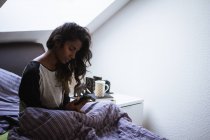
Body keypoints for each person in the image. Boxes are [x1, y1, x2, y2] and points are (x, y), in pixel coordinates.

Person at [19, 22, 92, 112]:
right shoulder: (33, 72)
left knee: (107, 107)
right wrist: (65, 110)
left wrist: (71, 107)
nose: (73, 56)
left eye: (76, 52)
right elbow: (34, 113)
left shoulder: (62, 68)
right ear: (58, 42)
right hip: (38, 122)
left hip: (58, 117)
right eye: (71, 49)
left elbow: (63, 103)